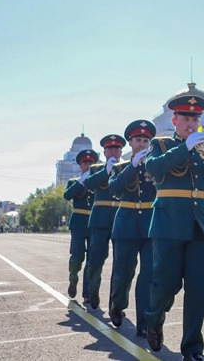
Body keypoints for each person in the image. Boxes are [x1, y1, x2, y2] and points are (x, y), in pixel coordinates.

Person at [143, 95, 204, 361]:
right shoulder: (161, 144)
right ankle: (154, 319)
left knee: (197, 292)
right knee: (165, 284)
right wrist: (185, 147)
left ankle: (193, 349)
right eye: (186, 118)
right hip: (169, 224)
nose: (191, 123)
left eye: (196, 119)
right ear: (174, 120)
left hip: (202, 226)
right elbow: (154, 168)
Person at [106, 119, 156, 337]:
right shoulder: (119, 167)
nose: (142, 144)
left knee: (148, 275)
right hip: (126, 224)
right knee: (123, 272)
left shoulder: (156, 164)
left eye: (146, 140)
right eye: (137, 140)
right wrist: (133, 165)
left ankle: (144, 321)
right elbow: (115, 190)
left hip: (150, 224)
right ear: (130, 142)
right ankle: (117, 306)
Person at [83, 133, 126, 310]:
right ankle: (91, 293)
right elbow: (88, 184)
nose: (114, 151)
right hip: (100, 220)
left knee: (120, 263)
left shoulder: (126, 167)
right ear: (104, 151)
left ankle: (115, 304)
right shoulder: (96, 169)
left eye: (116, 148)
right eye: (110, 148)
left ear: (121, 150)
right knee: (95, 260)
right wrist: (106, 171)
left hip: (121, 218)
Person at [63, 149, 97, 300]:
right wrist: (82, 180)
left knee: (92, 259)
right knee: (77, 257)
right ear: (80, 165)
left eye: (90, 162)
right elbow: (67, 195)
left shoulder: (98, 181)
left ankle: (87, 293)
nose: (88, 165)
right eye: (85, 163)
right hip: (78, 223)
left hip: (94, 223)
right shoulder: (74, 182)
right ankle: (73, 280)